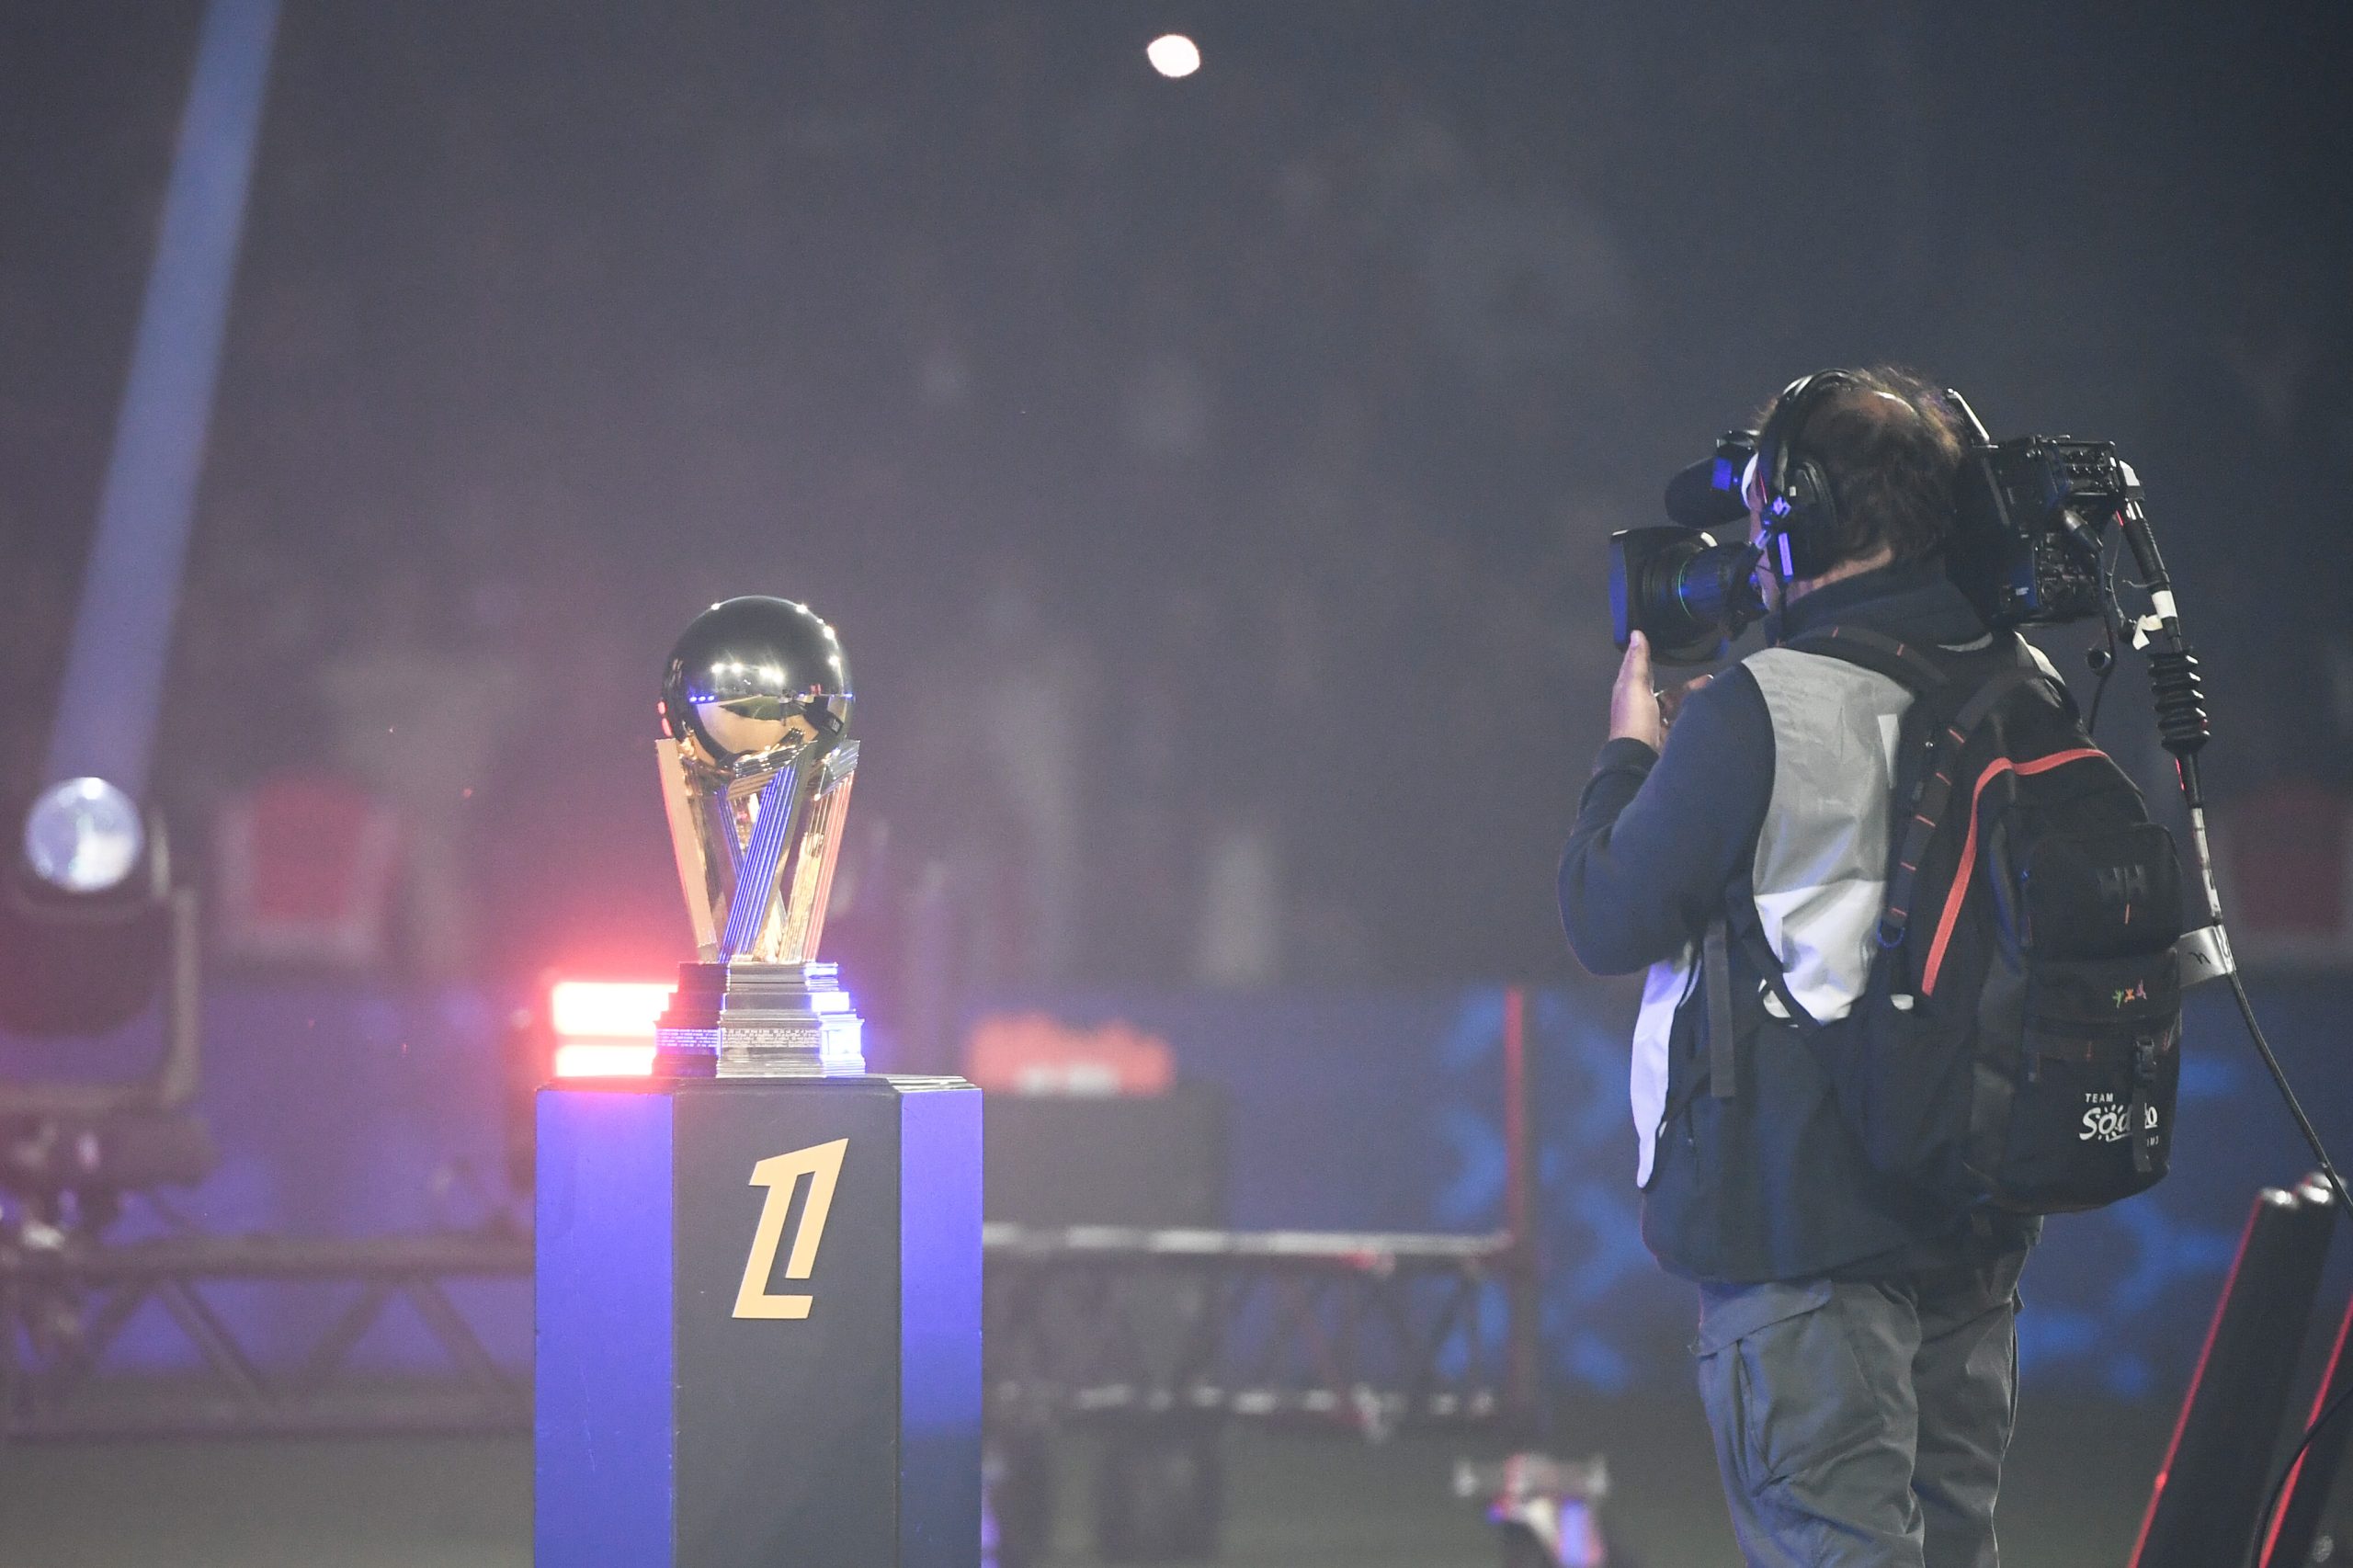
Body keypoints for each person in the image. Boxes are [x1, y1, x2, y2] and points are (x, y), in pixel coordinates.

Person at [1558, 367, 2037, 1567]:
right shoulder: (2020, 682)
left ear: (1796, 517)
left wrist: (1629, 749)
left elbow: (1608, 914)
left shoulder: (1765, 705)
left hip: (1803, 1242)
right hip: (1967, 1242)